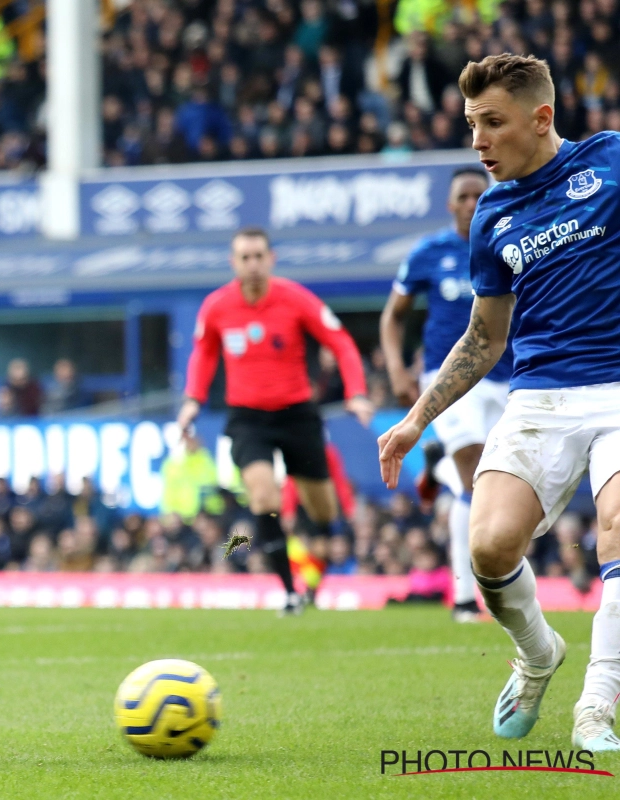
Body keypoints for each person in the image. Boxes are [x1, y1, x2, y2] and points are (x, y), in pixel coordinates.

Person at [378, 54, 620, 751]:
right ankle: (540, 655)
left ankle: (597, 706)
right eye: (470, 125)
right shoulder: (492, 214)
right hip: (539, 396)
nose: (478, 141)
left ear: (540, 119)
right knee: (487, 547)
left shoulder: (609, 165)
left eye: (492, 123)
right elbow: (484, 339)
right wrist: (415, 420)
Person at [177, 227, 374, 616]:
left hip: (297, 415)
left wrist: (356, 392)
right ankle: (287, 592)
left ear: (271, 258)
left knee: (323, 511)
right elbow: (203, 354)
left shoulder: (295, 299)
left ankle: (312, 578)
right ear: (233, 263)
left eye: (258, 256)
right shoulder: (217, 307)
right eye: (244, 258)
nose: (252, 265)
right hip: (248, 418)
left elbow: (340, 342)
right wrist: (192, 400)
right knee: (264, 499)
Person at [380, 166, 510, 624]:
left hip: (508, 377)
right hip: (448, 379)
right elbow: (393, 316)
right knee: (474, 474)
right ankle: (463, 599)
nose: (473, 203)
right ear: (451, 204)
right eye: (464, 196)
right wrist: (397, 370)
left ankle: (436, 466)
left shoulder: (508, 243)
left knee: (491, 485)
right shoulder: (429, 253)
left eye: (480, 194)